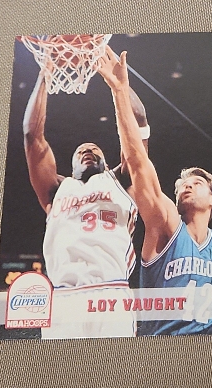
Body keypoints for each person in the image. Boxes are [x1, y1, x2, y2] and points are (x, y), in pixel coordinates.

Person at [94, 49, 212, 335]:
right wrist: (119, 91)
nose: (187, 185)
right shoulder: (166, 225)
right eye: (182, 185)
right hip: (164, 347)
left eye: (196, 183)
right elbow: (138, 163)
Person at [22, 72, 137, 339]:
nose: (88, 151)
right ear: (72, 163)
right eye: (81, 150)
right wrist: (44, 75)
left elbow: (136, 136)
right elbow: (31, 135)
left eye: (95, 150)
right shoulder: (56, 189)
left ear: (106, 163)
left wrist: (119, 89)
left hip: (111, 291)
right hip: (63, 296)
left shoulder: (120, 181)